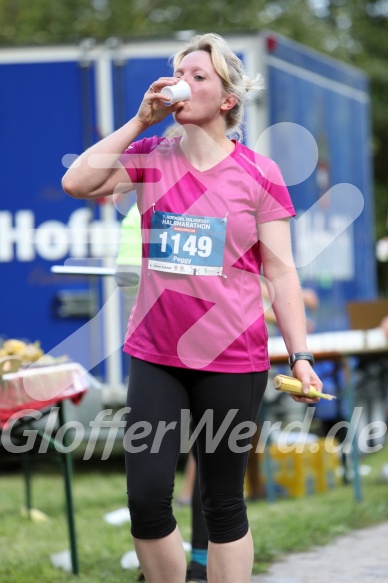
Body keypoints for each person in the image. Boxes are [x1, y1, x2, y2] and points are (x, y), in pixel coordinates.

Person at [62, 32, 322, 583]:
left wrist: (300, 355)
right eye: (179, 71)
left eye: (198, 75)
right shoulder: (151, 157)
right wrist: (140, 121)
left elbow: (280, 270)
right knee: (147, 500)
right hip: (157, 354)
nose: (181, 82)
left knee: (222, 505)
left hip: (235, 358)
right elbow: (76, 181)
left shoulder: (259, 174)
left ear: (227, 98)